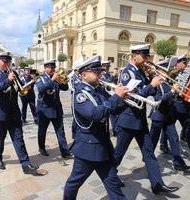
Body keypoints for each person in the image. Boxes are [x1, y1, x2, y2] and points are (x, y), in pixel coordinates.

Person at [114, 44, 179, 194]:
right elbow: (132, 96)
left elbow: (151, 92)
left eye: (147, 57)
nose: (146, 60)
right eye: (143, 57)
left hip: (140, 120)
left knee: (149, 152)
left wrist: (154, 78)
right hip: (128, 120)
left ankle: (157, 184)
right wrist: (151, 84)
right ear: (134, 55)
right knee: (119, 153)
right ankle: (110, 175)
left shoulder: (141, 72)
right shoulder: (126, 73)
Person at [63, 56, 128, 200]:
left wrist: (125, 98)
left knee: (113, 184)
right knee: (74, 183)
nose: (100, 74)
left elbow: (111, 108)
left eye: (100, 71)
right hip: (88, 148)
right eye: (96, 71)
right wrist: (116, 98)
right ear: (84, 75)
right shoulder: (80, 94)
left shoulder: (99, 90)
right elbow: (95, 114)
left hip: (103, 146)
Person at [0, 52, 42, 175]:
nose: (7, 64)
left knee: (19, 139)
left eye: (8, 62)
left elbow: (21, 87)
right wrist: (7, 80)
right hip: (0, 113)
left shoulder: (14, 73)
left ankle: (25, 164)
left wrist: (28, 86)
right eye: (4, 62)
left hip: (14, 112)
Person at [149, 58, 190, 171]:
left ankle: (178, 162)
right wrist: (172, 91)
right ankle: (148, 160)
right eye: (167, 70)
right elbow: (159, 99)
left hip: (168, 114)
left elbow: (172, 97)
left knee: (174, 138)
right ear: (160, 70)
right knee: (152, 140)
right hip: (158, 114)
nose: (170, 71)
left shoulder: (169, 81)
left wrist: (178, 93)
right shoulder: (156, 82)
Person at [36, 60, 72, 158]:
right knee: (42, 130)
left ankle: (64, 151)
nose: (53, 69)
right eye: (51, 68)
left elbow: (65, 88)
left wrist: (62, 80)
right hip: (44, 110)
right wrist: (52, 80)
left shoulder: (56, 78)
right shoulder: (40, 78)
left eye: (53, 68)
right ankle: (42, 148)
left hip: (56, 108)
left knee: (60, 130)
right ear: (45, 68)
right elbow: (41, 89)